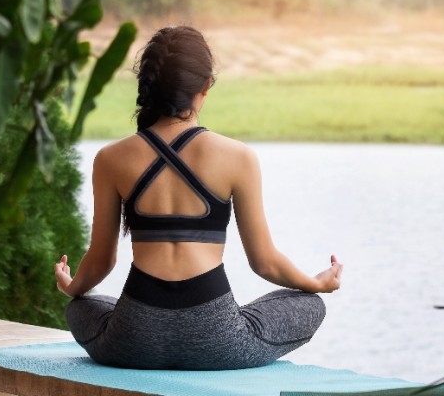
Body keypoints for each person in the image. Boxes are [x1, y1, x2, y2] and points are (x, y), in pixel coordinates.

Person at [54, 26, 343, 370]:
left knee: (81, 307)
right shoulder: (238, 157)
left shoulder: (111, 158)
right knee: (311, 305)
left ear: (147, 87)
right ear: (205, 85)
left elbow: (101, 262)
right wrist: (316, 283)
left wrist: (72, 288)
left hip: (132, 341)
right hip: (218, 342)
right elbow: (263, 262)